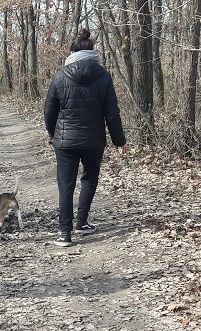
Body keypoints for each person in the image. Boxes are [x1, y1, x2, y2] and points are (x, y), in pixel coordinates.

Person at [44, 28, 128, 248]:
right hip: (94, 140)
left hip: (65, 141)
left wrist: (53, 134)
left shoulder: (60, 75)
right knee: (89, 179)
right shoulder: (103, 76)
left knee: (65, 184)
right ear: (93, 52)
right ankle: (81, 222)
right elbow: (112, 112)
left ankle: (65, 234)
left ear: (72, 52)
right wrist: (120, 140)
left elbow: (49, 111)